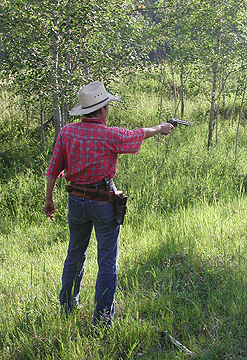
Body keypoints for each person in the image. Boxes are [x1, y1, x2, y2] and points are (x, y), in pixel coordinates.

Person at [44, 81, 174, 327]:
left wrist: (49, 199)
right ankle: (102, 321)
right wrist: (160, 128)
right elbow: (138, 134)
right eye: (106, 107)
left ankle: (68, 306)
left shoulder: (67, 132)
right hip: (104, 202)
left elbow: (53, 170)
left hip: (75, 201)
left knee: (74, 254)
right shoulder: (110, 134)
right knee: (106, 261)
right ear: (102, 110)